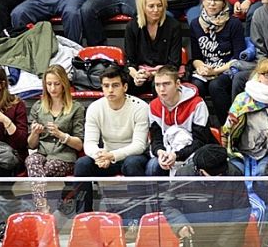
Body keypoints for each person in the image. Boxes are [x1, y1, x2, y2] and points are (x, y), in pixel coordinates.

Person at [73, 65, 149, 217]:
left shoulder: (140, 107)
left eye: (115, 85)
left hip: (133, 156)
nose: (110, 90)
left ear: (125, 87)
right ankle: (83, 216)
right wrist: (99, 155)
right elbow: (89, 143)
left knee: (132, 164)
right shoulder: (95, 108)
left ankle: (136, 219)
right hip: (106, 157)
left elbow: (139, 145)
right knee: (82, 164)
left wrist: (112, 155)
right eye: (106, 86)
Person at [162, 144, 250, 247]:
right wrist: (180, 225)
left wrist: (222, 244)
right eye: (214, 176)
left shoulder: (234, 174)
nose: (218, 177)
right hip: (195, 237)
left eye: (221, 175)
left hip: (227, 239)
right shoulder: (184, 175)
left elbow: (241, 212)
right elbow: (169, 205)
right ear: (201, 171)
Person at [26, 65, 84, 211]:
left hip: (64, 156)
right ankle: (43, 206)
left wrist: (61, 135)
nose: (52, 88)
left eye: (57, 84)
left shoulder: (76, 108)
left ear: (64, 84)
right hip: (42, 153)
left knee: (45, 169)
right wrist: (35, 133)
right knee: (31, 160)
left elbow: (79, 145)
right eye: (49, 84)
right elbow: (31, 145)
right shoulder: (38, 107)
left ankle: (42, 208)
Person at [189, 0, 243, 125]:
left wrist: (216, 71)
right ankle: (202, 128)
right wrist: (201, 68)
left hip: (227, 68)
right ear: (203, 1)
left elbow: (238, 58)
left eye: (217, 0)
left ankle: (226, 127)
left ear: (224, 3)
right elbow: (196, 57)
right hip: (206, 68)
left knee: (215, 86)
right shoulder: (196, 24)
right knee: (196, 86)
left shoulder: (234, 24)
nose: (212, 3)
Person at [147, 65, 212, 176]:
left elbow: (201, 141)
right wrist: (160, 152)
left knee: (188, 169)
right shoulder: (153, 106)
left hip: (193, 152)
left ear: (177, 84)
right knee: (153, 166)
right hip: (167, 152)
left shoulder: (197, 104)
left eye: (166, 84)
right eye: (157, 85)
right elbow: (156, 139)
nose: (161, 89)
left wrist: (177, 155)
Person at [125, 0, 182, 96]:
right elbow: (130, 61)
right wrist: (136, 75)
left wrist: (152, 74)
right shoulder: (132, 26)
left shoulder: (173, 26)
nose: (156, 10)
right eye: (151, 6)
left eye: (159, 5)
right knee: (127, 84)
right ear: (143, 7)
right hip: (141, 72)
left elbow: (174, 63)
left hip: (164, 72)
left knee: (158, 85)